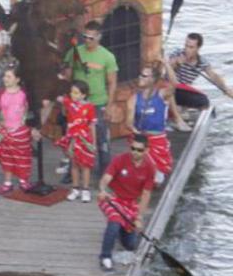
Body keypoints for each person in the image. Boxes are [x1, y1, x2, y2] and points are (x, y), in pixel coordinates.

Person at [60, 20, 117, 175]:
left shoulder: (107, 56)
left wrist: (110, 106)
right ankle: (72, 173)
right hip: (77, 104)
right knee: (74, 138)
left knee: (101, 139)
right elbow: (67, 78)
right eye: (85, 37)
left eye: (91, 38)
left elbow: (112, 82)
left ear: (99, 37)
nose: (87, 41)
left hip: (98, 103)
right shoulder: (74, 52)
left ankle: (105, 173)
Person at [96, 134, 155, 272]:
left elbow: (146, 194)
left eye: (139, 150)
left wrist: (139, 218)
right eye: (133, 148)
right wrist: (103, 190)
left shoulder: (150, 168)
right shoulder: (120, 159)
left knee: (130, 244)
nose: (135, 152)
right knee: (114, 221)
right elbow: (105, 178)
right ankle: (105, 257)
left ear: (146, 150)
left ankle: (122, 230)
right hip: (113, 199)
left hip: (131, 203)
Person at [0, 66, 32, 193]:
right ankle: (7, 182)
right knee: (6, 157)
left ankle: (23, 180)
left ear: (17, 79)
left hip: (20, 131)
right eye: (4, 76)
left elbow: (29, 110)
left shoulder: (24, 94)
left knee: (23, 156)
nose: (5, 79)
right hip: (4, 131)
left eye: (9, 77)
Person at [165, 33, 232, 111]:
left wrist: (226, 89)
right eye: (186, 46)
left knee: (204, 102)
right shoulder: (177, 54)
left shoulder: (201, 62)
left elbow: (213, 75)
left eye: (191, 47)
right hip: (169, 87)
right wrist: (177, 63)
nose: (187, 49)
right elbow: (167, 66)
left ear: (198, 48)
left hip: (183, 90)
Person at [130, 63, 173, 183]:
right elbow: (128, 123)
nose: (140, 78)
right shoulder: (134, 98)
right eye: (140, 75)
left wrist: (167, 64)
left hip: (157, 139)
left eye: (144, 76)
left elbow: (174, 85)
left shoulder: (161, 94)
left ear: (152, 79)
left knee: (157, 180)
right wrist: (137, 133)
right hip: (141, 139)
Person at [56, 79, 96, 201]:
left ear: (83, 95)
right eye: (72, 92)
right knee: (74, 164)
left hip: (84, 139)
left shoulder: (89, 107)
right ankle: (75, 188)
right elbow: (59, 96)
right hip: (72, 139)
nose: (73, 95)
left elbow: (92, 125)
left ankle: (85, 189)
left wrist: (93, 142)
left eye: (76, 92)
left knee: (85, 165)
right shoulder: (69, 103)